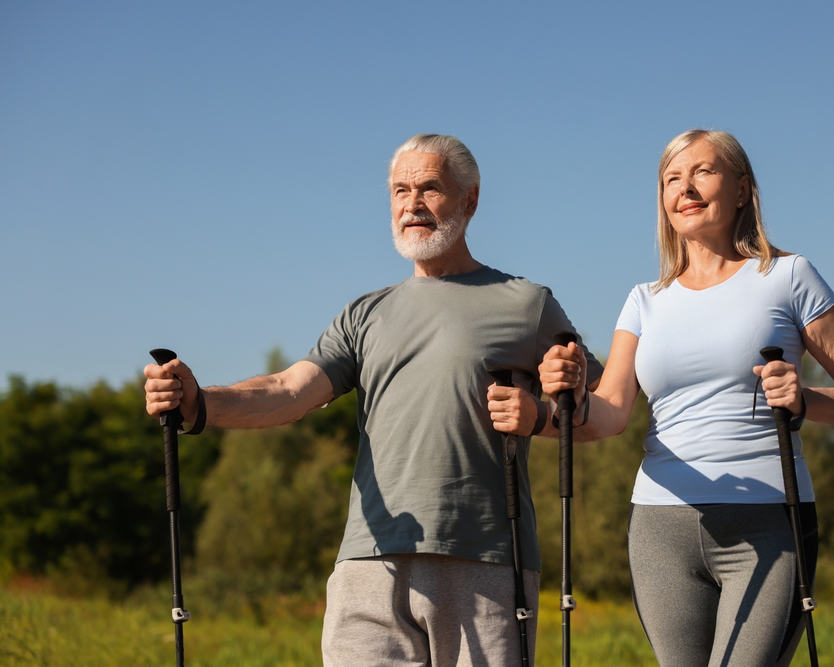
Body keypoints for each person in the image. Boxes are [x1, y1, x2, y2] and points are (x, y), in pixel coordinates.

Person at [144, 133, 602, 667]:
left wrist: (545, 411)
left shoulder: (527, 304)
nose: (412, 204)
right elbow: (291, 391)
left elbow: (591, 410)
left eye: (430, 188)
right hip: (368, 562)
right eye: (400, 190)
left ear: (470, 200)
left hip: (485, 560)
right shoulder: (364, 314)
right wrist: (199, 402)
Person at [489, 129, 834, 666]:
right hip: (660, 529)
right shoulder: (644, 301)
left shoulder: (787, 276)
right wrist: (547, 407)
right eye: (672, 179)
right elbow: (606, 415)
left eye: (704, 172)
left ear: (743, 188)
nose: (687, 187)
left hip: (769, 519)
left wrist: (805, 400)